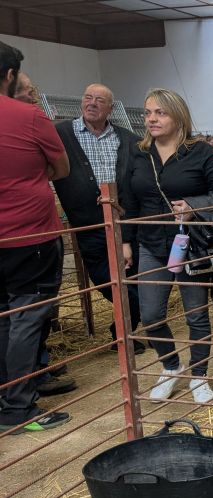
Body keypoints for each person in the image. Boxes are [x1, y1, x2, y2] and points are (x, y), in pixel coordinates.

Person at [125, 88, 213, 402]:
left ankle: (199, 375)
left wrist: (193, 205)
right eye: (148, 113)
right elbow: (129, 200)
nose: (152, 119)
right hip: (150, 244)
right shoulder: (138, 154)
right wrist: (126, 241)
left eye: (160, 112)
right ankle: (171, 366)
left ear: (178, 116)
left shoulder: (201, 153)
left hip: (191, 245)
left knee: (195, 315)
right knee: (151, 315)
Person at [0, 41, 72, 433]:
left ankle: (5, 397)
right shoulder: (29, 116)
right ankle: (19, 408)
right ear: (10, 75)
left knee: (3, 318)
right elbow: (61, 169)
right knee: (27, 318)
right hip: (29, 235)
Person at [53, 83, 146, 360]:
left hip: (125, 222)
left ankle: (123, 333)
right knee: (107, 280)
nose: (92, 103)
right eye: (88, 97)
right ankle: (131, 324)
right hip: (89, 225)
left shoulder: (128, 139)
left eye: (100, 100)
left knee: (133, 278)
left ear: (111, 108)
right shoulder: (61, 134)